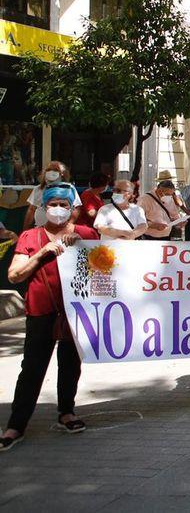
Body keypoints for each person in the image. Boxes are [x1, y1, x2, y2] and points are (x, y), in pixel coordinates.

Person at [1, 185, 99, 451]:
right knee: (32, 368)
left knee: (70, 364)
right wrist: (42, 254)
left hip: (74, 312)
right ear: (44, 208)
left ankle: (67, 412)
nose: (58, 209)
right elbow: (15, 275)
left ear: (72, 208)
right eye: (53, 204)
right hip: (41, 311)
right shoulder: (30, 237)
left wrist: (85, 248)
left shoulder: (87, 234)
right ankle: (16, 425)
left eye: (63, 204)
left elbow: (106, 269)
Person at [23, 161, 82, 228]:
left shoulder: (69, 189)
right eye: (49, 170)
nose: (51, 173)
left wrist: (70, 224)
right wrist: (25, 229)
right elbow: (31, 210)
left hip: (62, 228)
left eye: (55, 170)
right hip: (40, 228)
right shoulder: (38, 189)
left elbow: (76, 208)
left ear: (62, 174)